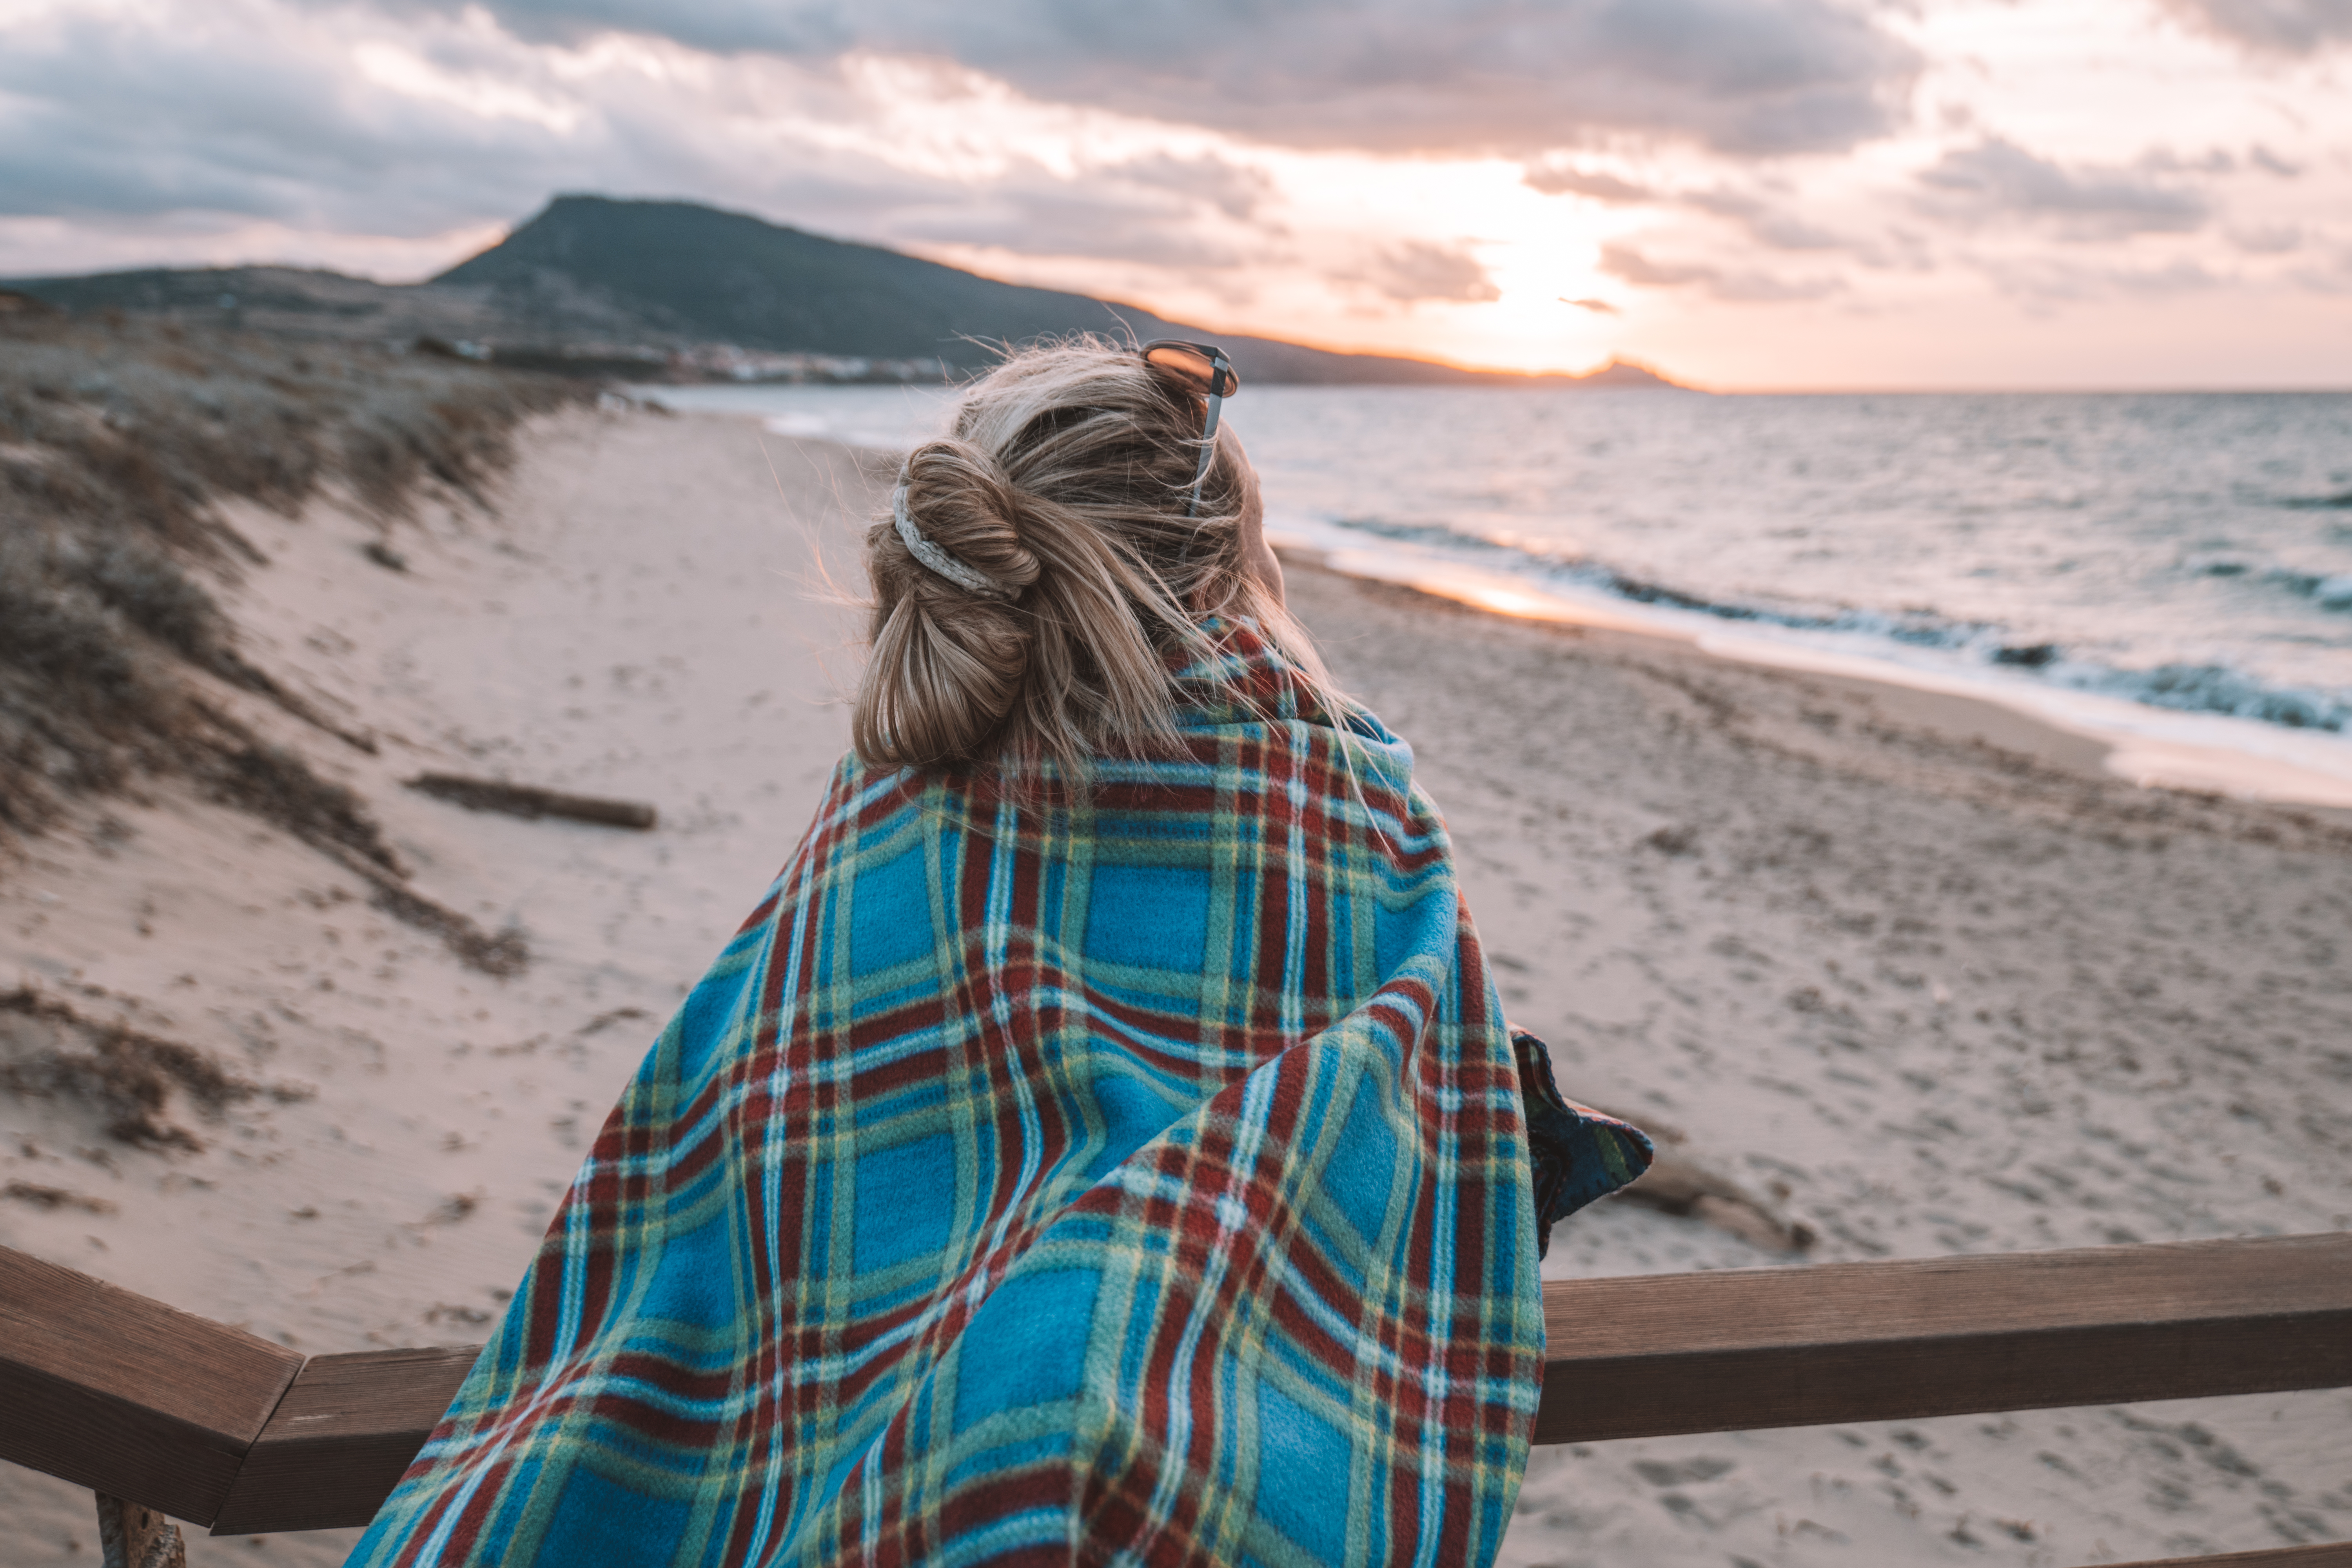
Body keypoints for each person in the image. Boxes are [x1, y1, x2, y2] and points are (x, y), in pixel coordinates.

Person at [344, 337, 1650, 1568]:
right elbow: (1413, 1106)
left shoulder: (905, 784)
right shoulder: (1342, 801)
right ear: (1229, 561)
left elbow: (744, 1123)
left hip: (817, 1414)